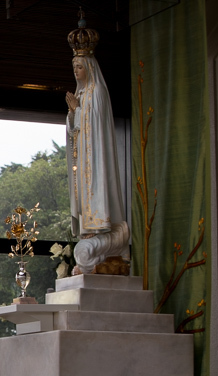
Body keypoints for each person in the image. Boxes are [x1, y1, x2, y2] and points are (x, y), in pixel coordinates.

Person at [65, 17, 129, 273]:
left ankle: (100, 228)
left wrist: (78, 112)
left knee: (95, 190)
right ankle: (88, 231)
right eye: (74, 68)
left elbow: (96, 125)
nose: (76, 72)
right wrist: (72, 113)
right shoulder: (80, 94)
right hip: (83, 159)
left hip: (96, 155)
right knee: (82, 191)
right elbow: (75, 129)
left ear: (89, 67)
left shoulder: (97, 92)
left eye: (79, 67)